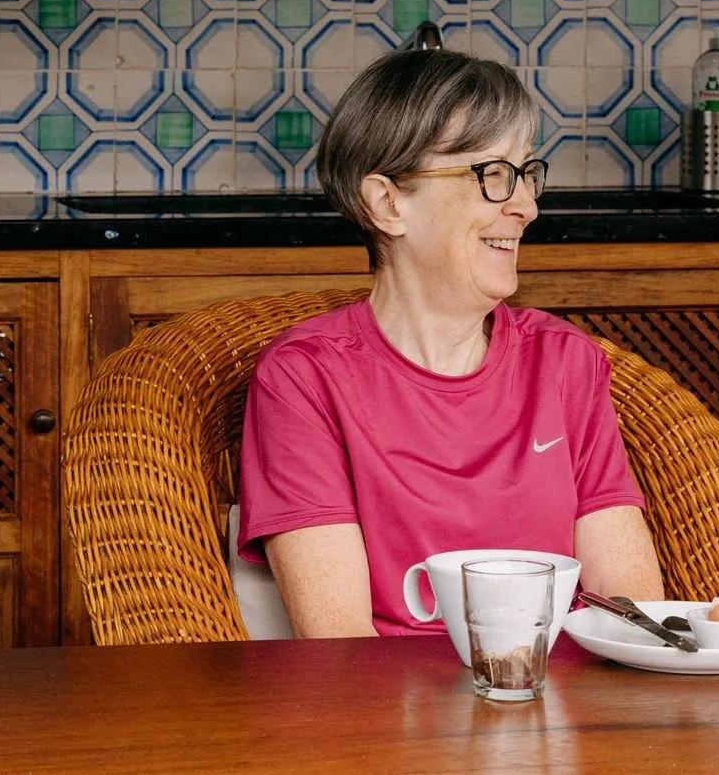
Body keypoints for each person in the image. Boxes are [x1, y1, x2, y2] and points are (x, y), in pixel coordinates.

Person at [237, 49, 662, 637]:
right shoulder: (305, 378)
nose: (526, 207)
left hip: (565, 692)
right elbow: (339, 646)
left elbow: (635, 621)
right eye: (493, 174)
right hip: (386, 695)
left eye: (526, 173)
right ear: (387, 204)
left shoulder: (565, 361)